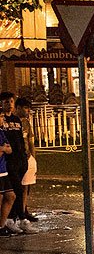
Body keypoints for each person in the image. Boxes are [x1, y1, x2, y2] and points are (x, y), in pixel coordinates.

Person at [0, 92, 32, 234]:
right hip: (7, 162)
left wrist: (24, 156)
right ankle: (15, 219)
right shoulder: (2, 122)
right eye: (6, 101)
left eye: (12, 101)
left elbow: (20, 139)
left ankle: (15, 219)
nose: (10, 104)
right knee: (15, 191)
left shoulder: (16, 120)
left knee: (16, 191)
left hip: (20, 159)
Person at [14, 97, 38, 225]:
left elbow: (30, 141)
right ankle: (18, 213)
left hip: (27, 157)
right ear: (18, 108)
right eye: (26, 108)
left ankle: (24, 210)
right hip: (16, 158)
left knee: (26, 187)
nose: (28, 111)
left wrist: (33, 157)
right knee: (16, 187)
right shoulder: (12, 122)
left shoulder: (27, 123)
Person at [0, 124, 15, 237]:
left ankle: (1, 226)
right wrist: (3, 148)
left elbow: (9, 149)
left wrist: (3, 149)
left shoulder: (1, 131)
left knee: (11, 196)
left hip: (3, 170)